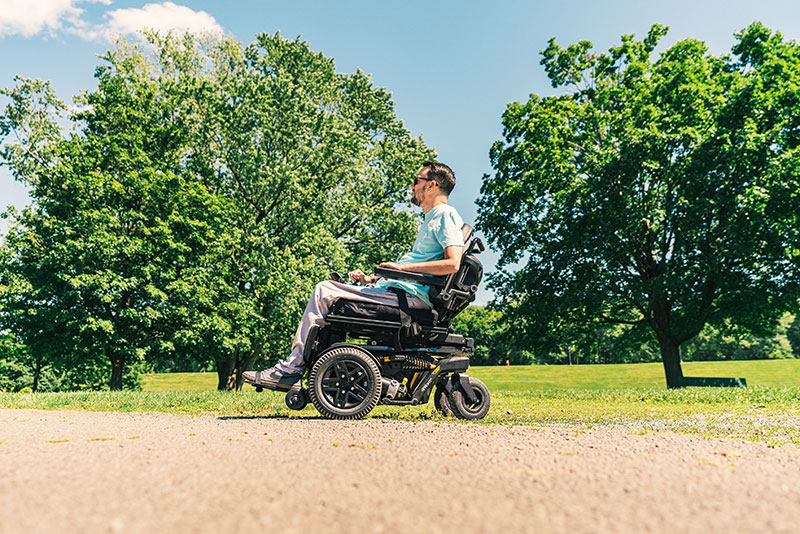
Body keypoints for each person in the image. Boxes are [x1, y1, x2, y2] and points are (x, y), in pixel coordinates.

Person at [243, 161, 465, 391]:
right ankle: (309, 369)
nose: (411, 186)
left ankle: (290, 370)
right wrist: (370, 279)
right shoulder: (432, 219)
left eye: (416, 181)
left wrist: (400, 269)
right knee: (330, 290)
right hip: (401, 292)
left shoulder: (444, 214)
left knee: (324, 290)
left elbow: (453, 263)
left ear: (432, 185)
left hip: (409, 299)